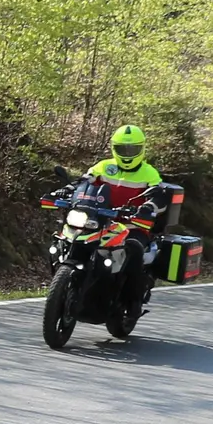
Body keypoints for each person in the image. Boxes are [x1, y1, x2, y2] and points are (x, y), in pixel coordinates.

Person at [74, 125, 166, 305]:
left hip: (133, 226)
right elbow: (84, 182)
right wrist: (68, 189)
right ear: (113, 148)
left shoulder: (150, 173)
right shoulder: (103, 166)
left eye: (132, 149)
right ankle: (68, 283)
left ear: (142, 148)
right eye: (122, 149)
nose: (127, 154)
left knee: (135, 250)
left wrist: (148, 207)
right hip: (100, 222)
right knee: (72, 239)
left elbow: (159, 196)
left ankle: (132, 302)